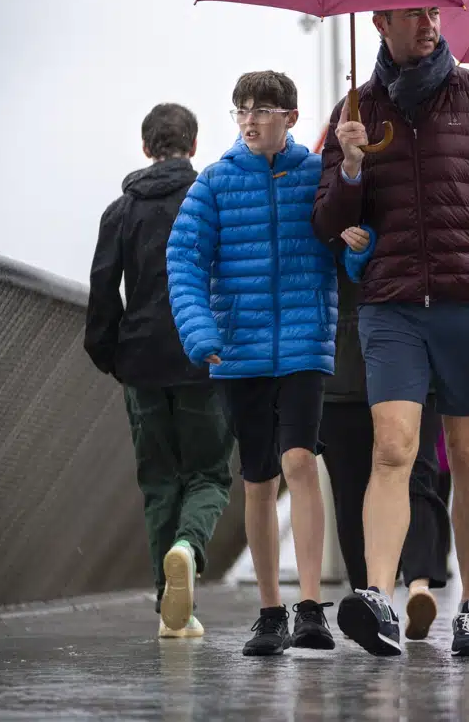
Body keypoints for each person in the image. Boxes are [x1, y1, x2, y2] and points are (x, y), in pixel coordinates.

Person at [313, 5, 469, 657]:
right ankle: (378, 598)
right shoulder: (355, 111)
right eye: (414, 14)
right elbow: (326, 219)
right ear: (381, 23)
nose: (429, 23)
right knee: (392, 448)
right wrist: (352, 165)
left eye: (434, 12)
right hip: (390, 306)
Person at [166, 71, 340, 657]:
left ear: (290, 116)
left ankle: (311, 607)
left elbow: (353, 249)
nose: (249, 120)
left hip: (303, 343)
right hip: (238, 352)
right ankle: (271, 612)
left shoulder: (318, 177)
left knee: (299, 461)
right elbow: (184, 261)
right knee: (259, 479)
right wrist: (200, 332)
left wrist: (361, 247)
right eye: (241, 109)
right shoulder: (213, 183)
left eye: (262, 109)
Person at [84, 103, 234, 640]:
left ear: (146, 148)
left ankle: (171, 610)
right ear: (193, 146)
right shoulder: (210, 199)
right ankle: (188, 548)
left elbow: (103, 299)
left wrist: (116, 359)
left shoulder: (119, 212)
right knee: (210, 475)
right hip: (203, 359)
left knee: (158, 484)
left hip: (141, 362)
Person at [320, 219, 453, 642]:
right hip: (415, 353)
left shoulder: (325, 196)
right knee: (417, 475)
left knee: (351, 484)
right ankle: (419, 582)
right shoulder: (415, 190)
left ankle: (373, 595)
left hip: (342, 356)